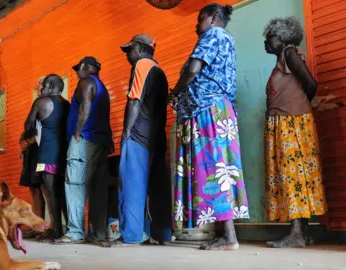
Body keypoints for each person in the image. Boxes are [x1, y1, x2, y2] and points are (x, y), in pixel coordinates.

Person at [168, 3, 249, 250]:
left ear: (213, 18)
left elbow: (193, 69)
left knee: (214, 170)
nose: (196, 25)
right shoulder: (225, 39)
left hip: (208, 112)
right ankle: (225, 234)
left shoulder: (213, 35)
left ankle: (229, 238)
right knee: (217, 169)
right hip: (214, 111)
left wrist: (174, 93)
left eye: (200, 19)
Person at [263, 17, 327, 248]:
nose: (266, 41)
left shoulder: (289, 52)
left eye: (271, 37)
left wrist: (299, 107)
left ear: (284, 38)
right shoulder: (283, 57)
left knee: (293, 176)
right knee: (296, 175)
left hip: (292, 123)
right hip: (288, 121)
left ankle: (297, 234)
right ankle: (302, 233)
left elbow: (310, 84)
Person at [103, 34, 172, 247]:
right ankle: (162, 235)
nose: (127, 55)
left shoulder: (142, 65)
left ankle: (131, 236)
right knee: (158, 186)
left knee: (131, 185)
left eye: (129, 50)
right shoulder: (159, 70)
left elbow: (135, 100)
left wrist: (126, 131)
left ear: (141, 48)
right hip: (157, 136)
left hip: (139, 135)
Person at [53, 57, 113, 244]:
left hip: (85, 140)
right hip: (100, 142)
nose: (77, 72)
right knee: (97, 188)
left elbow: (85, 106)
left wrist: (77, 132)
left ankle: (75, 233)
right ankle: (97, 234)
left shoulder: (86, 82)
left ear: (86, 67)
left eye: (78, 68)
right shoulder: (102, 87)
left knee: (75, 185)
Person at [24, 74, 70, 241]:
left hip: (46, 157)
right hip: (64, 156)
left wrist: (31, 132)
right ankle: (67, 230)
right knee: (63, 194)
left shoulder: (41, 102)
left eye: (42, 85)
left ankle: (56, 230)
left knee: (50, 194)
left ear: (50, 86)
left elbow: (28, 126)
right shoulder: (67, 105)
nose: (41, 88)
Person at [19, 76, 46, 239]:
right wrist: (23, 143)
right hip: (31, 156)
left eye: (40, 84)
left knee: (45, 189)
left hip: (43, 155)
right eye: (37, 84)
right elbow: (28, 131)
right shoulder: (36, 105)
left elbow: (42, 133)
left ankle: (48, 229)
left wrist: (28, 142)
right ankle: (38, 227)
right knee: (34, 190)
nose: (37, 87)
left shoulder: (50, 106)